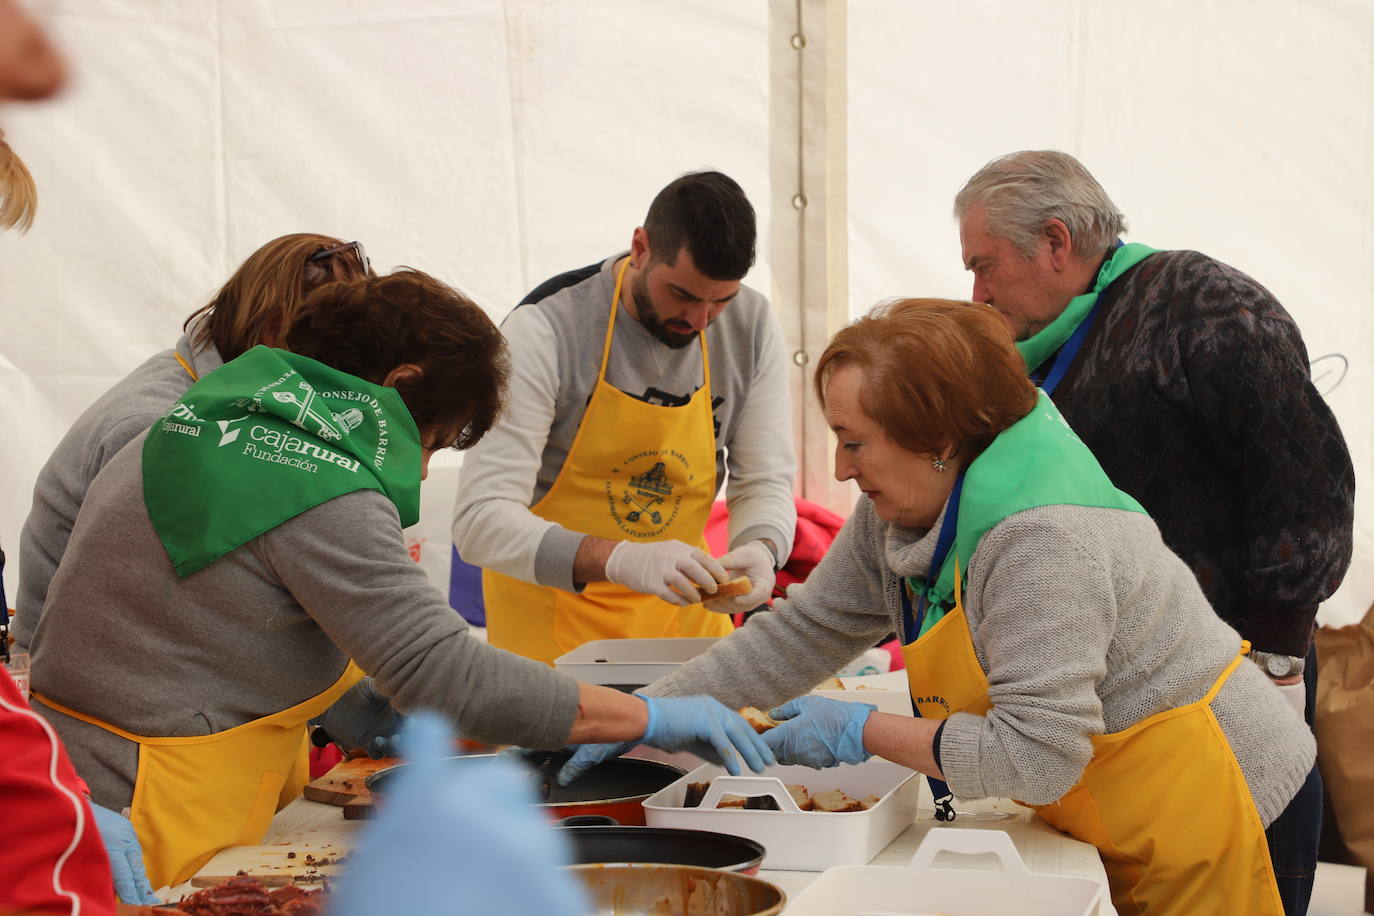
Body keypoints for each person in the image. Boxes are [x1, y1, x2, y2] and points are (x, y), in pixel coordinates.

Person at [24, 269, 773, 890]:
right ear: (400, 383)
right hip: (148, 798)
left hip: (97, 771)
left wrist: (359, 708)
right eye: (436, 441)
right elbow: (445, 671)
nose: (418, 470)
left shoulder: (211, 421)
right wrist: (650, 720)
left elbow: (209, 614)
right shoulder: (320, 483)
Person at [570, 299, 1316, 916]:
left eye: (854, 442)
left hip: (1224, 808)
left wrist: (863, 729)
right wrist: (637, 718)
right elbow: (802, 632)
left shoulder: (1042, 543)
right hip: (1121, 809)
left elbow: (1037, 757)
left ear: (938, 440)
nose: (838, 468)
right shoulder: (899, 511)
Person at [953, 150, 1354, 915]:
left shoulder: (1197, 303)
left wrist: (1277, 651)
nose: (977, 291)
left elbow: (1306, 476)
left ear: (1058, 243)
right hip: (1122, 721)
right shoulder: (1032, 352)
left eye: (984, 265)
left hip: (1232, 693)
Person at [453, 170, 796, 664]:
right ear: (640, 247)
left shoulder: (752, 326)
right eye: (683, 294)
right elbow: (480, 521)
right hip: (553, 622)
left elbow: (765, 479)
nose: (701, 321)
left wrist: (763, 546)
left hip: (685, 611)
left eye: (720, 300)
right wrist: (622, 559)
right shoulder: (547, 329)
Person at [15, 232, 373, 644]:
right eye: (335, 353)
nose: (344, 377)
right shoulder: (161, 427)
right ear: (274, 330)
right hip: (88, 686)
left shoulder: (219, 387)